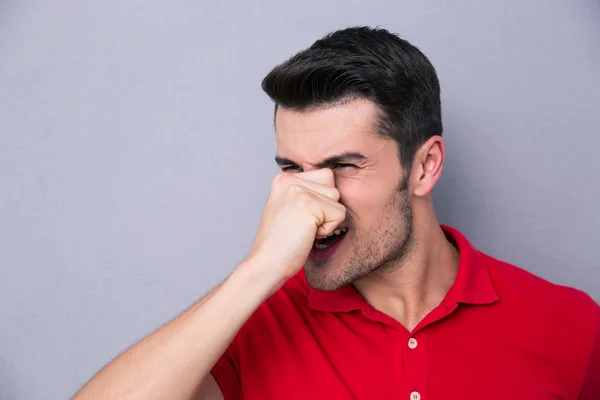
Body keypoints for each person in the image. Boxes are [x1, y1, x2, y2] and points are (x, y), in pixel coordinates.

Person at [72, 26, 600, 400]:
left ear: (425, 166)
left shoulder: (573, 326)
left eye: (344, 165)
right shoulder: (255, 324)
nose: (314, 200)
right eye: (293, 170)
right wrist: (257, 271)